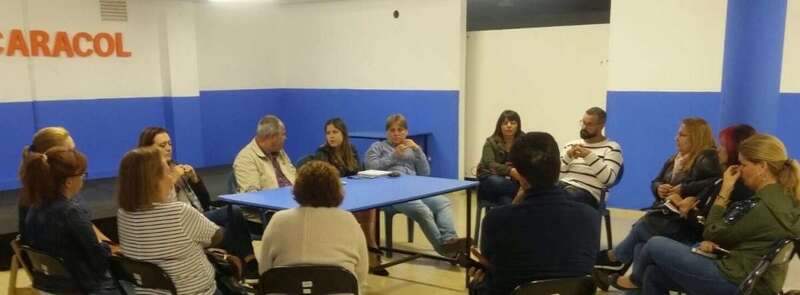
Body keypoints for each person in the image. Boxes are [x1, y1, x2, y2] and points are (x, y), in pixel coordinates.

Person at [611, 134, 800, 295]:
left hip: (736, 279)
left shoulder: (761, 205)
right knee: (653, 273)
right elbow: (750, 239)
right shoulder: (788, 200)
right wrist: (718, 244)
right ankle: (636, 282)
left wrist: (724, 191)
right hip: (755, 276)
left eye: (744, 164)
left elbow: (712, 231)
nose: (740, 170)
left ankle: (634, 281)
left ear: (762, 167)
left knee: (653, 244)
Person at [594, 124, 756, 290]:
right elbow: (662, 182)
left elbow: (712, 228)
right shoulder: (677, 160)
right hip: (689, 225)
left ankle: (621, 264)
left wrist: (686, 203)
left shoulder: (721, 173)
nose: (718, 150)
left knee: (649, 235)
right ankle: (626, 271)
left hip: (702, 243)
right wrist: (661, 189)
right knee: (643, 249)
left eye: (682, 135)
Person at [468, 132, 600, 295]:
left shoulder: (496, 220)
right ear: (559, 168)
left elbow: (495, 273)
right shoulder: (591, 216)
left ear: (520, 176)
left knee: (477, 284)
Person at [596, 117, 721, 273]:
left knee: (644, 226)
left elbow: (714, 182)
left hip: (684, 221)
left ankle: (616, 259)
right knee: (642, 242)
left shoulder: (707, 158)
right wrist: (659, 188)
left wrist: (683, 189)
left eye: (682, 135)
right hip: (667, 215)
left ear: (695, 137)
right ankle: (629, 279)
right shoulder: (674, 159)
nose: (676, 138)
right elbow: (656, 180)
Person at [138, 127, 257, 277]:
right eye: (162, 145)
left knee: (235, 211)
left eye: (170, 144)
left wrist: (195, 180)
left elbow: (205, 202)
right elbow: (162, 206)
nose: (168, 148)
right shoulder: (149, 175)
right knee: (229, 231)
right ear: (148, 149)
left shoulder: (175, 167)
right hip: (180, 222)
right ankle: (243, 265)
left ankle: (247, 261)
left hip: (196, 214)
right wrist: (174, 180)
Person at [117, 147, 224, 295]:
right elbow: (216, 236)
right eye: (168, 172)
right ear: (155, 180)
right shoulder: (179, 212)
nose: (171, 176)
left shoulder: (123, 214)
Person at [365, 114, 469, 257]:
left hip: (414, 190)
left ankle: (450, 239)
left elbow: (425, 173)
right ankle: (445, 249)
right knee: (423, 211)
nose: (396, 133)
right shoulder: (378, 147)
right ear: (386, 132)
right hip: (391, 193)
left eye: (400, 130)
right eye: (392, 130)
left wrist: (418, 150)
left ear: (406, 132)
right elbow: (370, 167)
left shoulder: (412, 148)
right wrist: (394, 156)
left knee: (443, 202)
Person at [20, 147, 119, 294]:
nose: (84, 179)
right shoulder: (71, 212)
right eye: (82, 174)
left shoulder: (35, 206)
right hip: (80, 287)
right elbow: (99, 259)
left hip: (49, 286)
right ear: (68, 182)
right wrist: (109, 248)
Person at [259, 161, 368, 290]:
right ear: (336, 190)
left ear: (298, 188)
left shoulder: (278, 219)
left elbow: (264, 269)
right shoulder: (348, 220)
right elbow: (361, 273)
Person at [313, 118, 388, 276]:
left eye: (335, 132)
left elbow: (357, 171)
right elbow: (326, 178)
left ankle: (369, 247)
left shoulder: (351, 149)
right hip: (331, 197)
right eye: (328, 133)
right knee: (357, 212)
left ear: (343, 134)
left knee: (369, 206)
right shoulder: (322, 152)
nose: (331, 136)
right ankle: (366, 252)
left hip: (352, 193)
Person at [17, 127, 113, 242]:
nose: (75, 154)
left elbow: (86, 225)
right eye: (70, 151)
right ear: (53, 155)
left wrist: (110, 244)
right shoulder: (59, 206)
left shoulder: (41, 193)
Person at [233, 115, 297, 225]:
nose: (285, 138)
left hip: (292, 206)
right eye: (283, 134)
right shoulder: (245, 158)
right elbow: (251, 198)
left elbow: (295, 177)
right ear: (272, 137)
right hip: (268, 216)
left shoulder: (280, 152)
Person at [559, 107, 623, 209]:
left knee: (562, 199)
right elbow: (557, 176)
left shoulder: (612, 147)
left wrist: (588, 156)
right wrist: (567, 157)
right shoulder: (570, 145)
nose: (584, 127)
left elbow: (609, 180)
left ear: (601, 126)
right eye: (583, 122)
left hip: (589, 193)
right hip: (563, 186)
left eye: (589, 124)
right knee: (539, 194)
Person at [476, 110, 524, 206]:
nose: (509, 126)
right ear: (500, 126)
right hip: (492, 181)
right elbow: (489, 164)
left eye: (513, 123)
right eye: (505, 123)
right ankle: (525, 192)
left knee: (506, 200)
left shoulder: (524, 141)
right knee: (497, 182)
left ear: (518, 126)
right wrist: (511, 171)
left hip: (514, 184)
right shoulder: (491, 142)